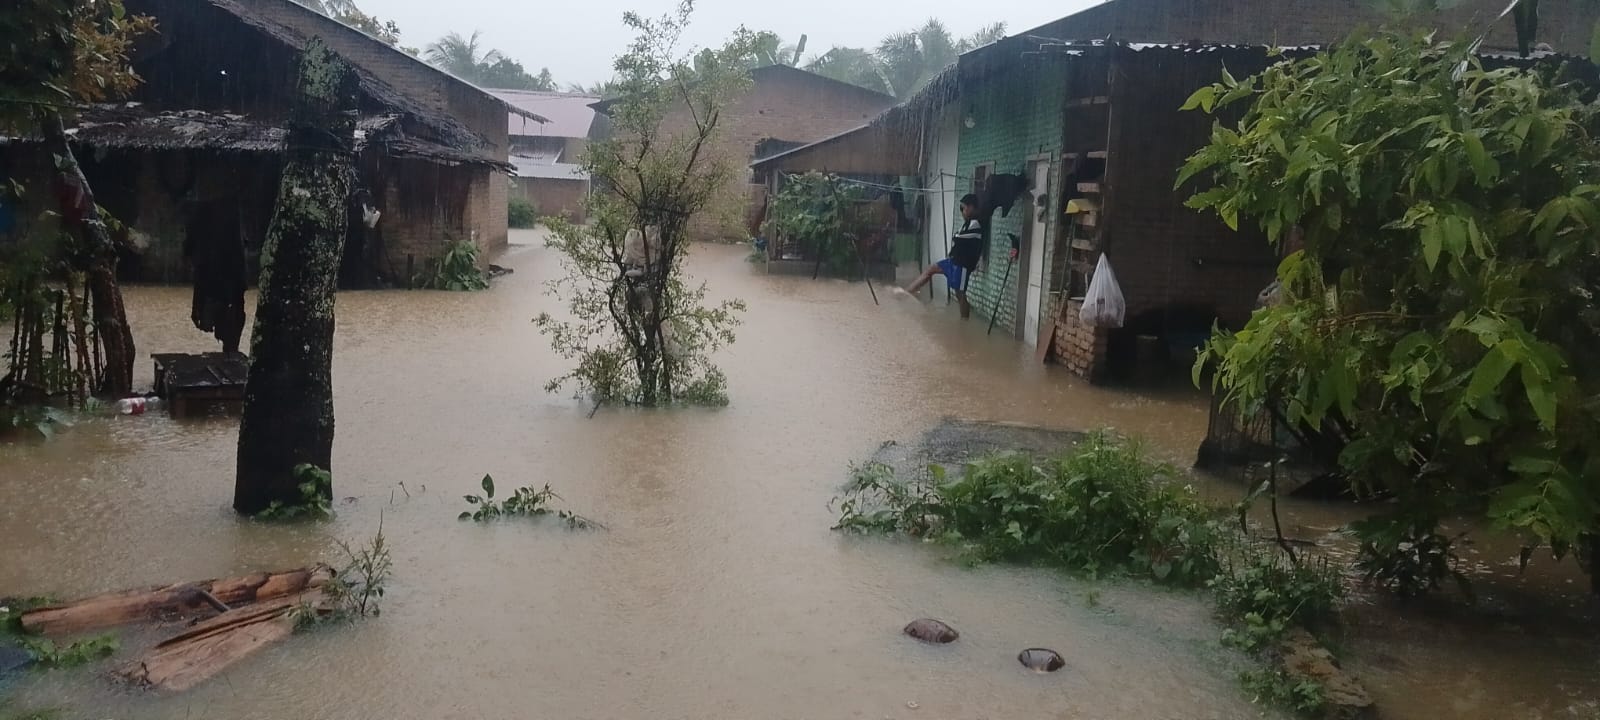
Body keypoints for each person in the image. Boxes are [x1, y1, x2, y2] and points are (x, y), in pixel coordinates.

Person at [897, 193, 985, 318]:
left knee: (960, 294)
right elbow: (958, 238)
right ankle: (907, 292)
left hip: (963, 265)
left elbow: (958, 237)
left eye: (963, 208)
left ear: (971, 207)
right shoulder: (967, 223)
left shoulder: (975, 224)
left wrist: (957, 238)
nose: (962, 212)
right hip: (954, 261)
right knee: (930, 269)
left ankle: (964, 321)